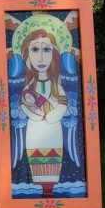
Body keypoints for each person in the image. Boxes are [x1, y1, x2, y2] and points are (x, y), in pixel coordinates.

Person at [19, 29, 68, 197]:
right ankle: (41, 187)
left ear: (54, 54)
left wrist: (53, 115)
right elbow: (25, 105)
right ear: (27, 55)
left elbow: (63, 104)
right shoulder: (28, 88)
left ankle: (50, 188)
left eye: (46, 49)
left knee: (53, 158)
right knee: (37, 157)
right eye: (35, 49)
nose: (40, 58)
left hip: (53, 129)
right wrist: (37, 115)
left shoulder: (57, 87)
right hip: (35, 128)